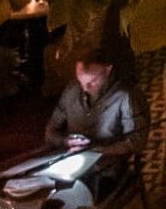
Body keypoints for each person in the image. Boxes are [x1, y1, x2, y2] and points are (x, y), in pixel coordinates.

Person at [44, 53, 147, 187]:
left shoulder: (125, 96)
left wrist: (96, 149)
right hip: (70, 163)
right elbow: (51, 130)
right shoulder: (72, 90)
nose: (85, 88)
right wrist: (65, 141)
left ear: (108, 70)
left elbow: (136, 142)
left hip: (105, 170)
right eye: (81, 81)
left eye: (92, 82)